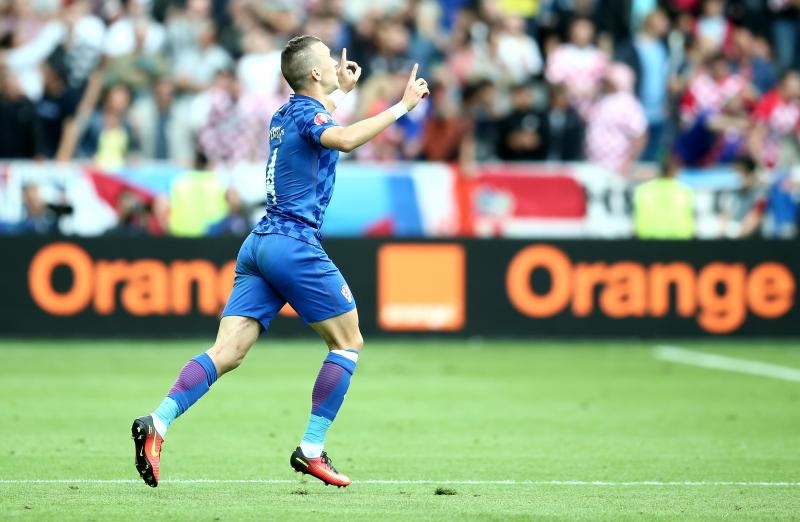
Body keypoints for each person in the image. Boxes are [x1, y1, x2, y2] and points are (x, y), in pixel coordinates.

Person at [131, 35, 429, 489]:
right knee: (348, 343)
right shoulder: (311, 114)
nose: (336, 63)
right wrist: (402, 105)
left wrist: (342, 92)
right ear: (313, 73)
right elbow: (344, 139)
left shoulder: (284, 113)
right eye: (329, 59)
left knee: (227, 352)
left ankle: (159, 421)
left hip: (260, 242)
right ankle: (311, 449)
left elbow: (319, 122)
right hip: (294, 242)